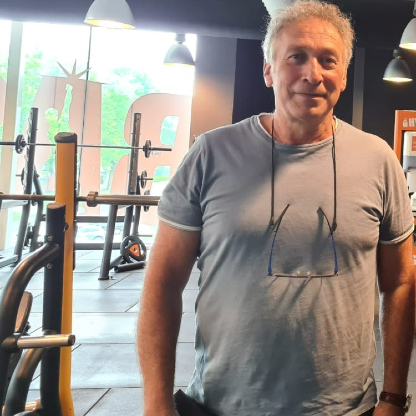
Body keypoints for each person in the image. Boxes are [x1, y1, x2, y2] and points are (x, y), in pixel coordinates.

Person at [137, 1, 415, 415]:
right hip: (223, 406)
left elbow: (401, 282)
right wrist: (156, 402)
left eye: (328, 60)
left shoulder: (378, 160)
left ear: (343, 75)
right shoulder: (211, 154)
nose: (312, 74)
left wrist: (393, 396)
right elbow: (162, 283)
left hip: (346, 408)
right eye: (296, 57)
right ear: (268, 71)